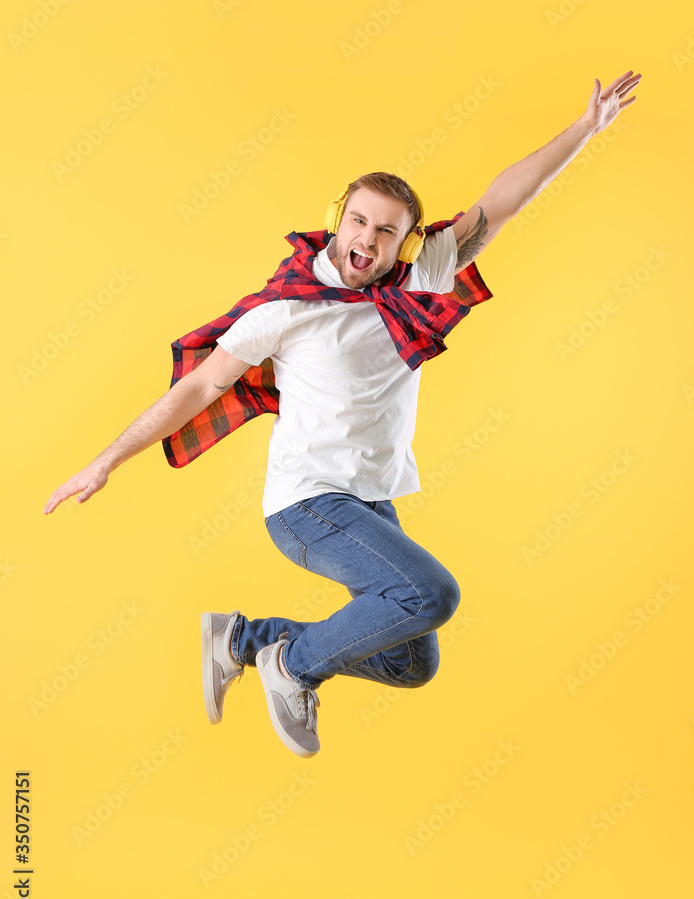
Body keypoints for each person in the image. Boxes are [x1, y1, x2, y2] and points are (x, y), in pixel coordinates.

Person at [44, 71, 641, 758]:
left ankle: (240, 640)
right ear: (338, 219)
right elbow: (200, 389)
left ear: (404, 244)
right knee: (432, 595)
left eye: (387, 231)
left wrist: (585, 129)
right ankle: (291, 666)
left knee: (412, 662)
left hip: (371, 506)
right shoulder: (287, 309)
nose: (368, 238)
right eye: (358, 220)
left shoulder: (417, 285)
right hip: (305, 504)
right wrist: (105, 461)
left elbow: (499, 204)